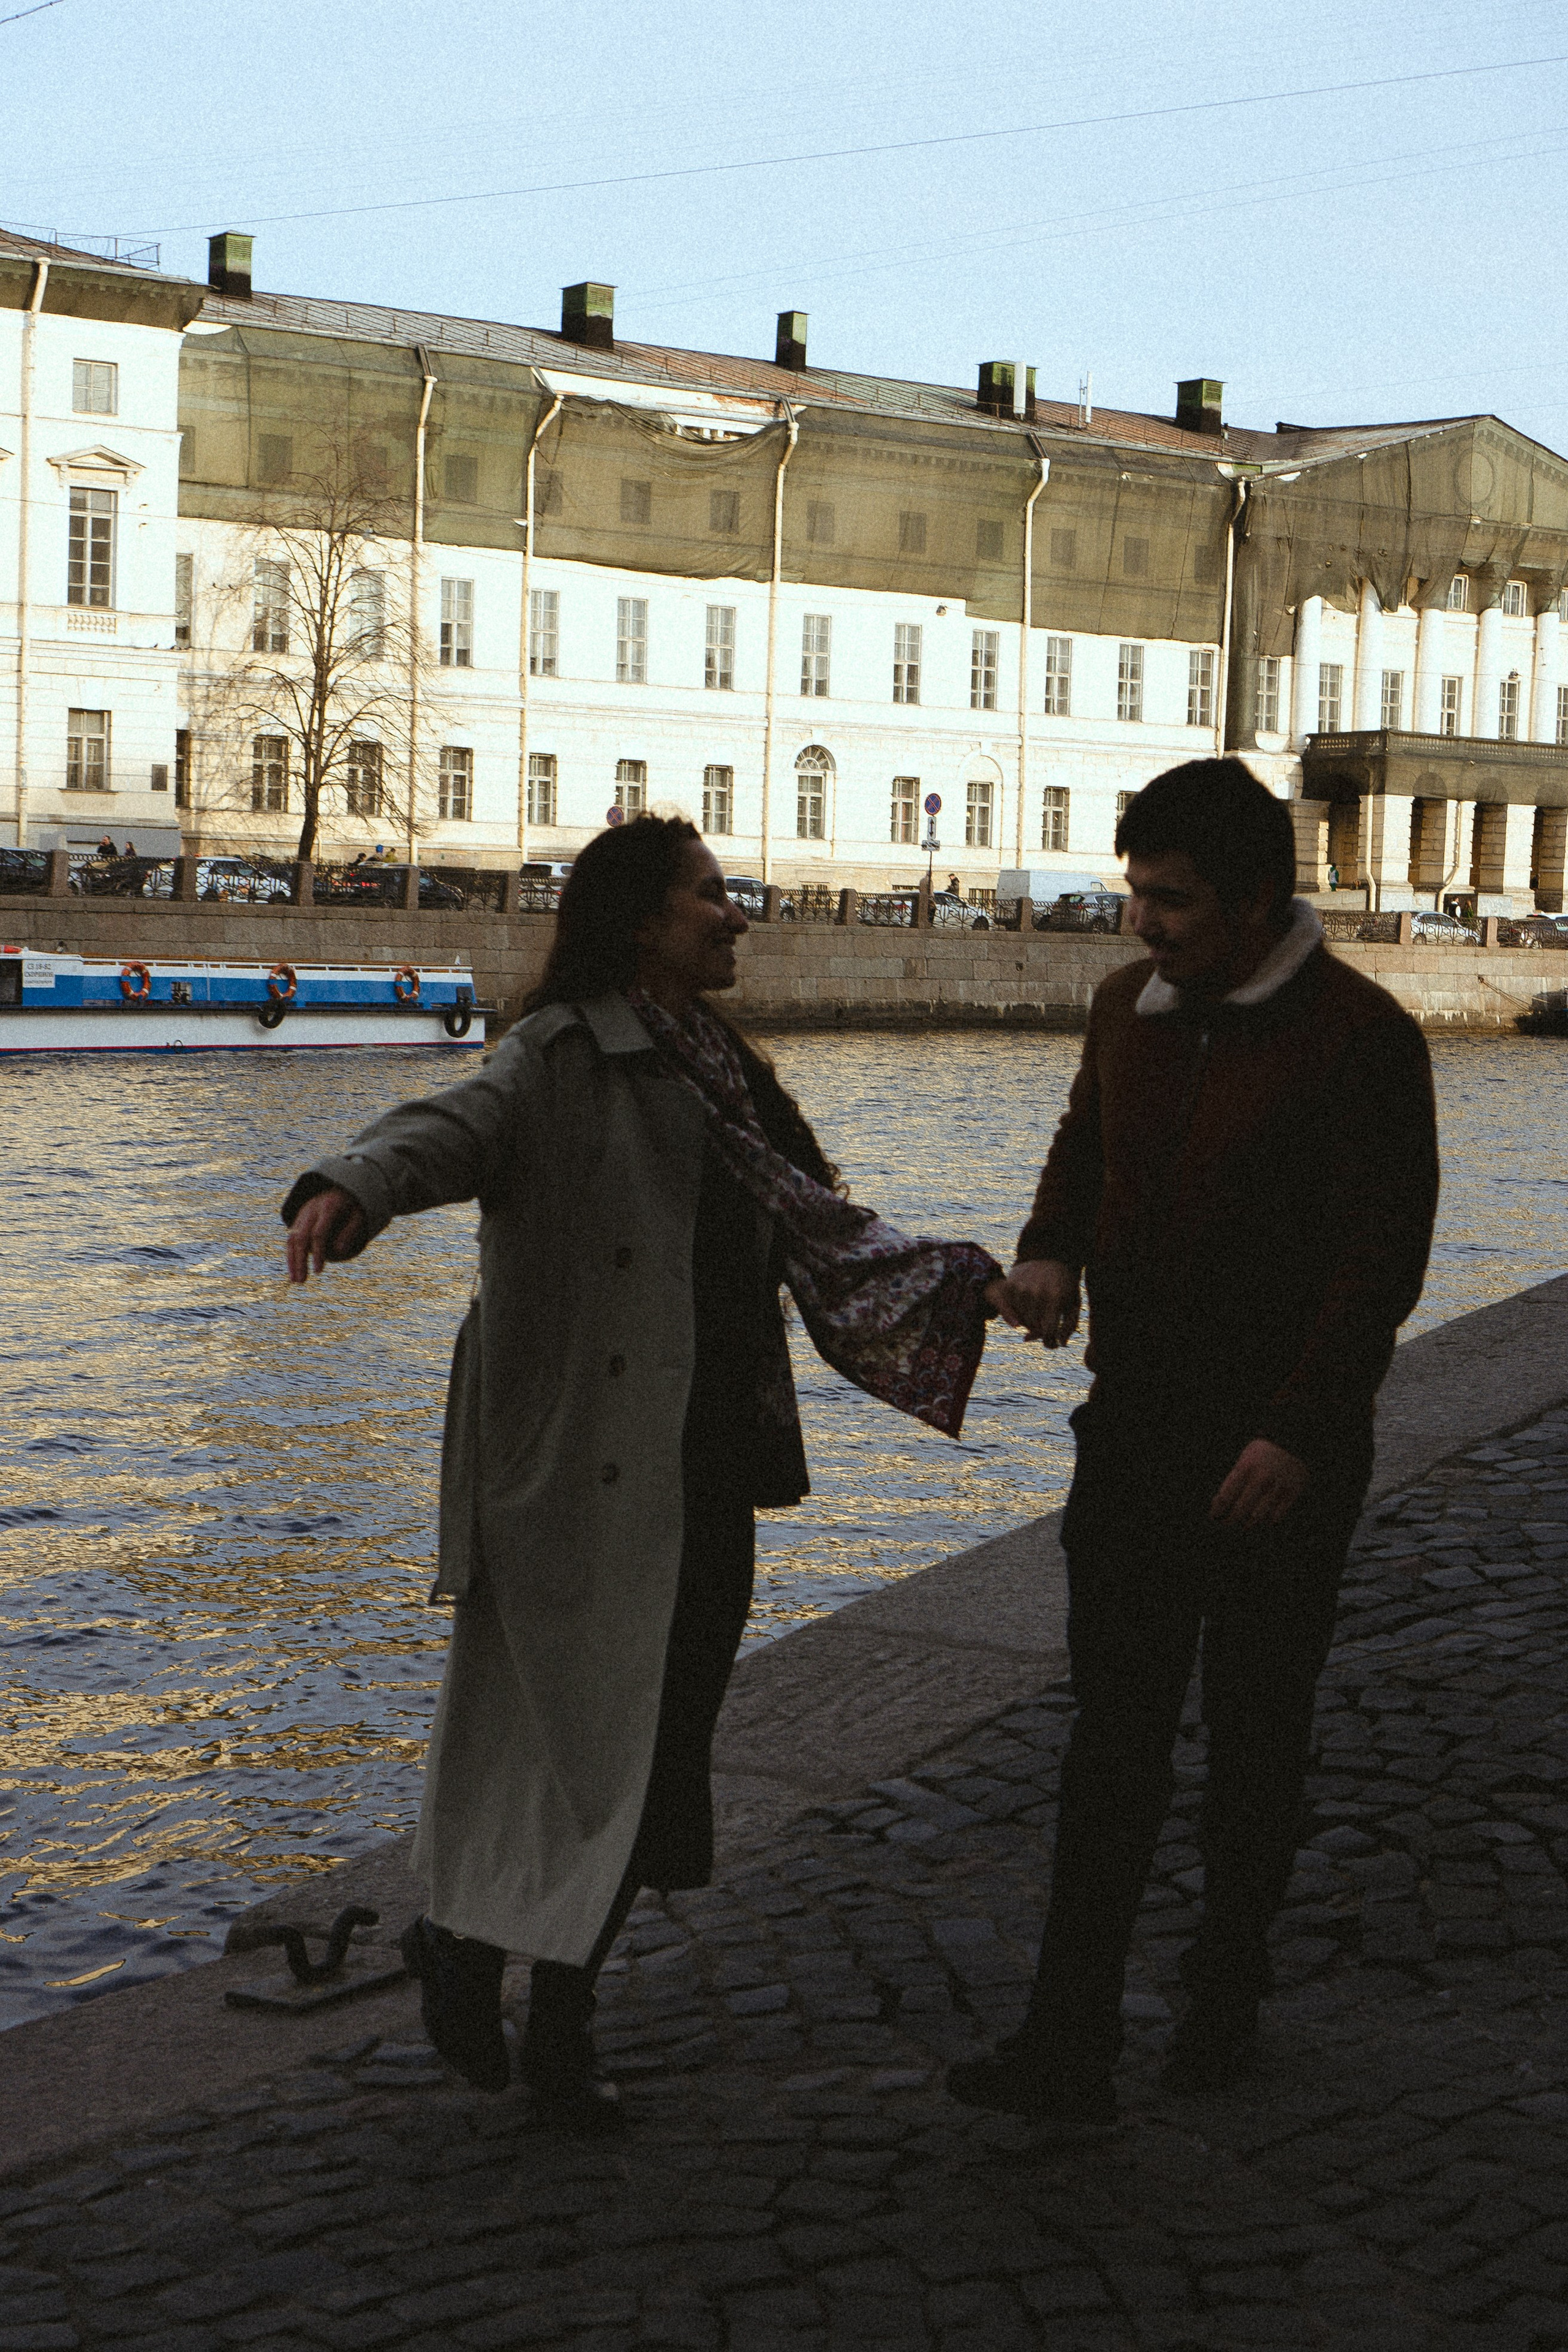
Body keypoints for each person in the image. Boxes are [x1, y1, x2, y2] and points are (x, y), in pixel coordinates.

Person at [284, 816, 1000, 2127]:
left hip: (707, 1457)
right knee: (571, 1752)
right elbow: (449, 1126)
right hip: (586, 1466)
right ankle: (500, 1981)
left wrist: (972, 1283)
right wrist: (352, 1186)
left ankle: (521, 1989)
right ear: (639, 923)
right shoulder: (560, 1055)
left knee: (655, 1758)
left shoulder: (719, 1067)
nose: (736, 917)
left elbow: (822, 1227)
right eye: (710, 896)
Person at [950, 758, 1438, 2132]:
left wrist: (1298, 1432)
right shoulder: (1128, 1008)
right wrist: (1050, 1253)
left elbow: (1378, 1264)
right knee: (1112, 1736)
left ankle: (1225, 1985)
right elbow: (1082, 1150)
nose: (1140, 923)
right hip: (1135, 1429)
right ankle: (1070, 2037)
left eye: (1167, 899)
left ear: (1253, 901)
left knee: (1254, 1732)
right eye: (1136, 893)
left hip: (1275, 1454)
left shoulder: (1362, 1037)